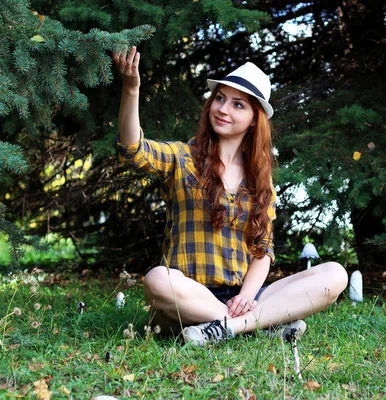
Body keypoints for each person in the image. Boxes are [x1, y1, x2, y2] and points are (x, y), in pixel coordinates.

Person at [112, 47, 349, 346]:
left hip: (242, 296)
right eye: (220, 99)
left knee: (334, 274)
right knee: (158, 279)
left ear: (254, 120)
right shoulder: (182, 157)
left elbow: (262, 250)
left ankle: (229, 326)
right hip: (187, 296)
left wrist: (247, 298)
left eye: (238, 105)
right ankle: (258, 325)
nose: (223, 109)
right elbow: (133, 149)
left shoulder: (260, 180)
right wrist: (131, 89)